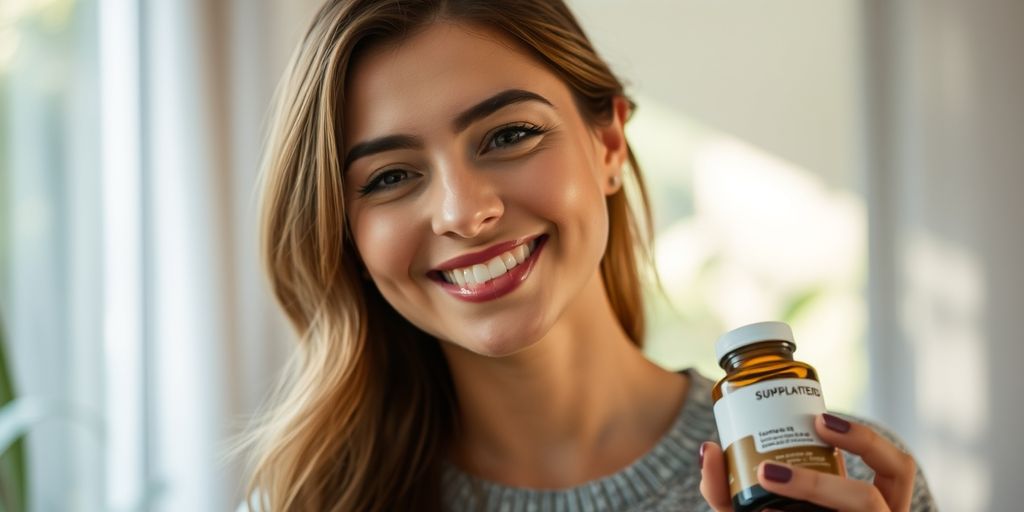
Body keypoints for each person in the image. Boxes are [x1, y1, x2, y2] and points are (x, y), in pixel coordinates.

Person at [239, 0, 937, 510]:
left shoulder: (840, 478)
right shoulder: (302, 501)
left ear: (608, 144)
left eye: (507, 135)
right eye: (390, 177)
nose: (463, 212)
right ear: (346, 232)